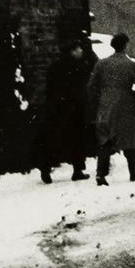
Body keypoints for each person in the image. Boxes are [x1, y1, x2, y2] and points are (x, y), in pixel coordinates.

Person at [87, 33, 135, 186]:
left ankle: (101, 175)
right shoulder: (130, 65)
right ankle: (133, 173)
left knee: (105, 141)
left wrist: (98, 102)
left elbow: (91, 87)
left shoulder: (101, 64)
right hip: (125, 106)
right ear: (125, 45)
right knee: (129, 139)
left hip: (105, 106)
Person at [35, 39, 92, 184]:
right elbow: (82, 89)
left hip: (57, 108)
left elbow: (49, 88)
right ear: (72, 51)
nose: (81, 51)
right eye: (78, 48)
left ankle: (46, 169)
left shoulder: (54, 67)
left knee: (55, 138)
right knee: (77, 139)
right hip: (75, 108)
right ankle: (77, 170)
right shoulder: (80, 67)